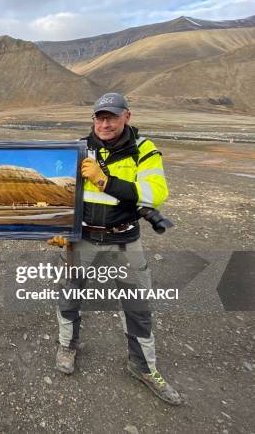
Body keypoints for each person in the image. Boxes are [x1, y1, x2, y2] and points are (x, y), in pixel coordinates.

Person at [48, 92, 184, 405]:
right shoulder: (80, 148)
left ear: (127, 116)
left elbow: (154, 193)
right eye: (99, 117)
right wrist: (58, 228)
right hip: (81, 240)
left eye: (111, 116)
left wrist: (104, 180)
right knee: (69, 294)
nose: (105, 123)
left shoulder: (144, 150)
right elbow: (64, 194)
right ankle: (68, 345)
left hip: (124, 240)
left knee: (138, 307)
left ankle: (143, 367)